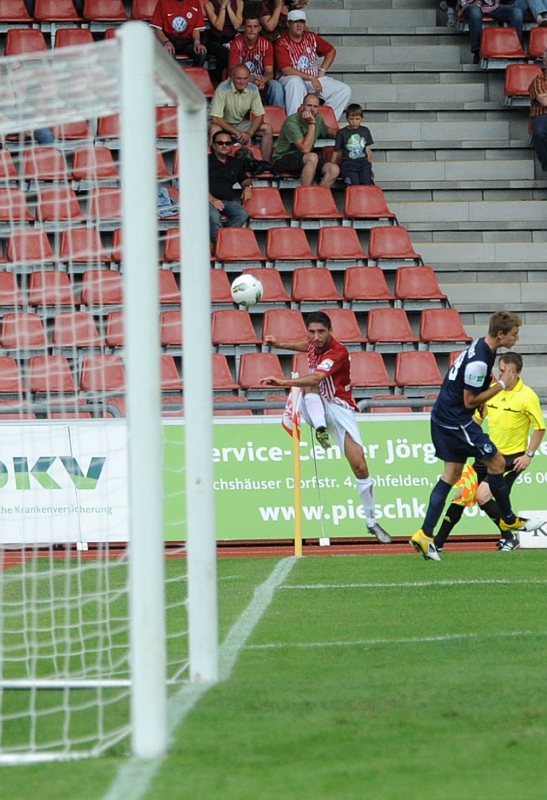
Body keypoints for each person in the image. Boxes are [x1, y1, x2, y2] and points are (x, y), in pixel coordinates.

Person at [410, 310, 543, 562]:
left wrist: (484, 391)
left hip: (442, 417)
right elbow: (469, 399)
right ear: (501, 334)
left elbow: (468, 384)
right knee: (497, 462)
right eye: (514, 334)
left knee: (451, 474)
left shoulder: (481, 347)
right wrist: (501, 385)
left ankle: (425, 535)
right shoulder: (481, 360)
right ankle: (510, 520)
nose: (517, 338)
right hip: (455, 421)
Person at [260, 310, 392, 544]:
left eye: (321, 331)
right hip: (316, 407)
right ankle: (320, 429)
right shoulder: (313, 344)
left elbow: (316, 378)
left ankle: (372, 521)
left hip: (340, 407)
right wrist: (279, 343)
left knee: (360, 467)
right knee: (310, 388)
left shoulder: (337, 352)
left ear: (331, 332)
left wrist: (284, 382)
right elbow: (306, 347)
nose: (316, 336)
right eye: (312, 332)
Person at [434, 351, 545, 553]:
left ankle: (510, 536)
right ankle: (438, 543)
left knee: (482, 495)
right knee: (462, 494)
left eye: (507, 371)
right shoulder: (493, 391)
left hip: (511, 459)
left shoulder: (527, 396)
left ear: (518, 372)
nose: (502, 375)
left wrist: (528, 455)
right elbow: (478, 418)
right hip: (488, 455)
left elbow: (540, 427)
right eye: (500, 370)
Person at [274, 9, 351, 118]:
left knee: (344, 90)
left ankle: (323, 122)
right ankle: (294, 123)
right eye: (295, 22)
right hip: (289, 79)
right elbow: (286, 70)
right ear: (288, 24)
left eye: (302, 22)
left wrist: (322, 70)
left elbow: (331, 51)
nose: (299, 25)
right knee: (295, 81)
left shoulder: (311, 37)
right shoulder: (281, 42)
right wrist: (311, 78)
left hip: (312, 79)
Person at [272, 92, 340, 185]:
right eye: (309, 106)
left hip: (306, 159)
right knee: (312, 156)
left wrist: (346, 136)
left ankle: (316, 196)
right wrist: (311, 123)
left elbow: (327, 131)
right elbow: (305, 149)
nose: (312, 109)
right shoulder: (292, 122)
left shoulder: (319, 118)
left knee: (334, 169)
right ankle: (305, 195)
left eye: (315, 106)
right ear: (302, 106)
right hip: (283, 158)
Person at [209, 64, 274, 161]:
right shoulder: (222, 89)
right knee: (215, 128)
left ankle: (265, 164)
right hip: (221, 124)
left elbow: (260, 115)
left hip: (238, 123)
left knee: (267, 128)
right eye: (239, 78)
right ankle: (213, 163)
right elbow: (216, 118)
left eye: (245, 78)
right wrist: (238, 133)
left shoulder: (253, 88)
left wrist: (249, 133)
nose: (242, 82)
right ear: (231, 78)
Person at [228, 16, 286, 108]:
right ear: (243, 27)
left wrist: (263, 80)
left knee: (276, 86)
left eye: (255, 27)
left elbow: (269, 72)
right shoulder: (236, 43)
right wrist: (252, 81)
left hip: (260, 80)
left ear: (259, 28)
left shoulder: (266, 44)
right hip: (242, 80)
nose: (252, 30)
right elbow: (233, 72)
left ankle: (279, 117)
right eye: (249, 26)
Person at [208, 130, 252, 248]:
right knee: (214, 216)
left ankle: (222, 241)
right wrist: (212, 200)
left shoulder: (235, 163)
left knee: (242, 214)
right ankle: (221, 247)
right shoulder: (204, 161)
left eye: (228, 143)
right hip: (206, 200)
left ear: (232, 146)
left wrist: (247, 187)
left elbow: (244, 179)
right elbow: (195, 184)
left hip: (227, 201)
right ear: (213, 145)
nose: (224, 145)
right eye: (220, 143)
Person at [457, 0, 524, 64]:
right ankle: (477, 51)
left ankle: (516, 48)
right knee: (475, 12)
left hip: (491, 6)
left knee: (516, 12)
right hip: (470, 4)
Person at [150, 0, 207, 65]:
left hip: (186, 42)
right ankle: (171, 75)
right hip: (169, 39)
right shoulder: (163, 2)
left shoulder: (195, 2)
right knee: (168, 52)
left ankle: (194, 74)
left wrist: (197, 43)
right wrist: (166, 42)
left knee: (201, 52)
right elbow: (157, 30)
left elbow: (196, 29)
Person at [331, 103, 374, 186]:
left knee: (367, 185)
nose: (354, 122)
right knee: (353, 185)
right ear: (347, 118)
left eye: (357, 119)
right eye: (351, 119)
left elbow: (368, 150)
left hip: (363, 164)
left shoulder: (365, 131)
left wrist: (369, 167)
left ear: (362, 118)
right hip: (348, 164)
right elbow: (336, 151)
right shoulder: (342, 133)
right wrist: (332, 165)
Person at [204, 0, 244, 86]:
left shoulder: (239, 2)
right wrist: (222, 7)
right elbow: (219, 26)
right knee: (224, 53)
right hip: (215, 40)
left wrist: (228, 7)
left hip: (232, 39)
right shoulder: (209, 5)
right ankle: (218, 80)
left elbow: (237, 25)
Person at [529, 48, 547, 174]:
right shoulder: (539, 80)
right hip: (542, 114)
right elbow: (544, 102)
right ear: (545, 62)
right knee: (539, 133)